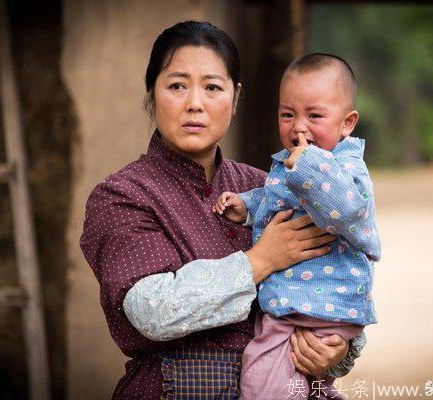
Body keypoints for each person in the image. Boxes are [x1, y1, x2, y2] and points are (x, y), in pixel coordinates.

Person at [80, 21, 367, 400]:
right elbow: (152, 311)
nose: (194, 103)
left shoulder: (270, 186)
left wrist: (336, 350)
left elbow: (332, 275)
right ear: (151, 94)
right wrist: (260, 260)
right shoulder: (123, 196)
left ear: (235, 98)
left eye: (213, 87)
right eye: (177, 85)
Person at [213, 53, 380, 399]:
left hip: (322, 305)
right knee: (300, 383)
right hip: (295, 307)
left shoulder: (346, 168)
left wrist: (308, 164)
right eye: (287, 114)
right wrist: (246, 206)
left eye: (314, 115)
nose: (298, 126)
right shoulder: (290, 165)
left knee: (262, 380)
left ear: (347, 123)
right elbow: (278, 200)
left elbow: (348, 209)